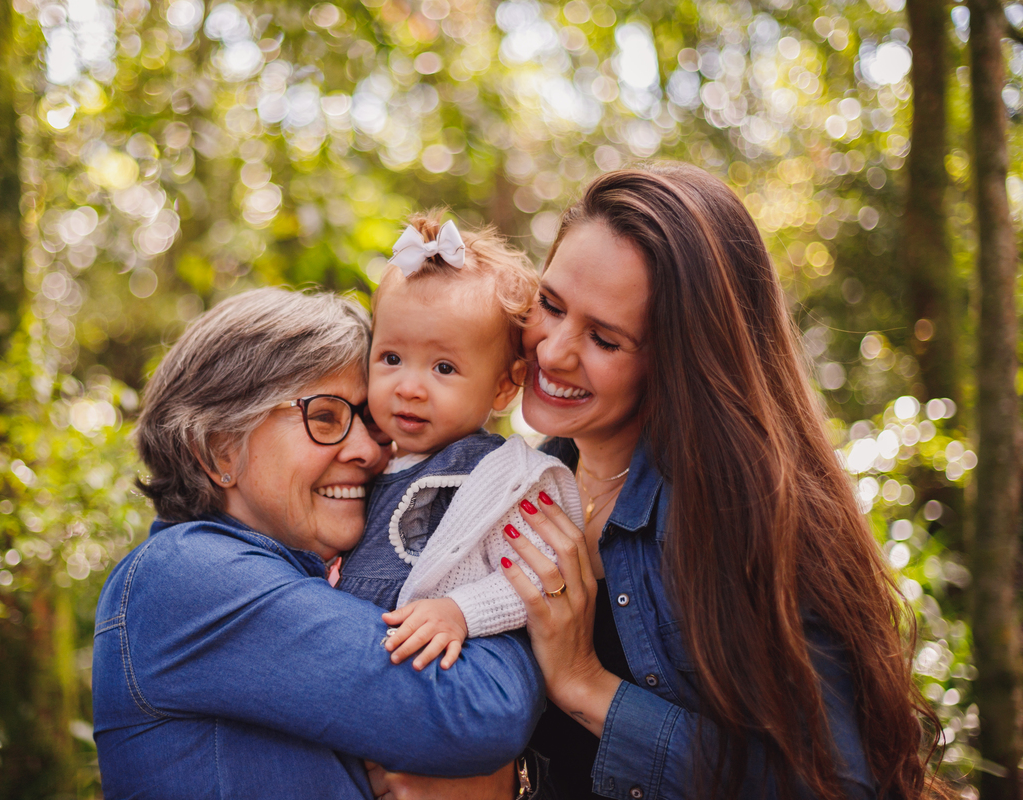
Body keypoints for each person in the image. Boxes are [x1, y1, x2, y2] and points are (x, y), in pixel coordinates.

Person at [371, 163, 944, 800]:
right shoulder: (512, 486)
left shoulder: (749, 517)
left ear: (678, 359)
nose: (554, 352)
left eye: (605, 340)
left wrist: (586, 684)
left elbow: (833, 784)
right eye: (552, 306)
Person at [92, 287, 544, 800]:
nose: (367, 452)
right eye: (325, 417)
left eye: (369, 421)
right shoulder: (189, 574)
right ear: (217, 448)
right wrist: (527, 601)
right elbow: (480, 709)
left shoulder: (313, 578)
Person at [338, 213, 583, 672]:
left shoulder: (500, 478)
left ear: (504, 388)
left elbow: (539, 571)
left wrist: (461, 611)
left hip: (427, 681)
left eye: (443, 368)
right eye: (392, 358)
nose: (409, 387)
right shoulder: (366, 459)